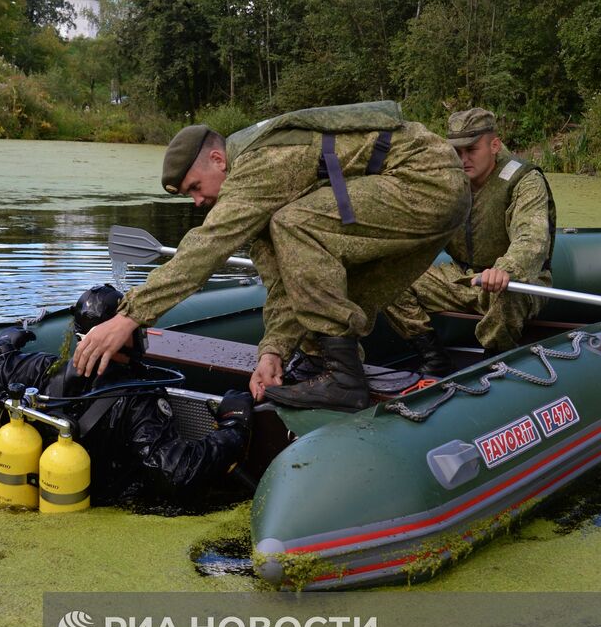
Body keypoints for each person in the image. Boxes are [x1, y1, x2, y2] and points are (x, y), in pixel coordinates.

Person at [74, 101, 470, 412]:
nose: (197, 202)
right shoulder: (259, 195)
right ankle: (326, 369)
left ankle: (345, 380)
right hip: (424, 196)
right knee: (317, 272)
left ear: (217, 159)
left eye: (195, 187)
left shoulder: (259, 165)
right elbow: (284, 280)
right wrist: (272, 351)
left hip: (426, 179)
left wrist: (130, 316)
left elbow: (207, 246)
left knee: (295, 223)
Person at [0, 285, 254, 503]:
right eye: (134, 328)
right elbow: (171, 471)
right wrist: (233, 429)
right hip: (101, 510)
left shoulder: (37, 370)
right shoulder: (140, 397)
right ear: (123, 336)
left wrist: (1, 346)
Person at [383, 107, 556, 375]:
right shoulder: (446, 182)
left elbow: (530, 238)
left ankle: (494, 362)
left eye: (472, 150)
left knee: (506, 292)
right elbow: (416, 229)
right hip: (463, 277)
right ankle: (434, 357)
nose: (463, 159)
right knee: (390, 281)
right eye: (457, 151)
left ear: (494, 145)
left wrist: (505, 270)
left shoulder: (525, 181)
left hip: (518, 282)